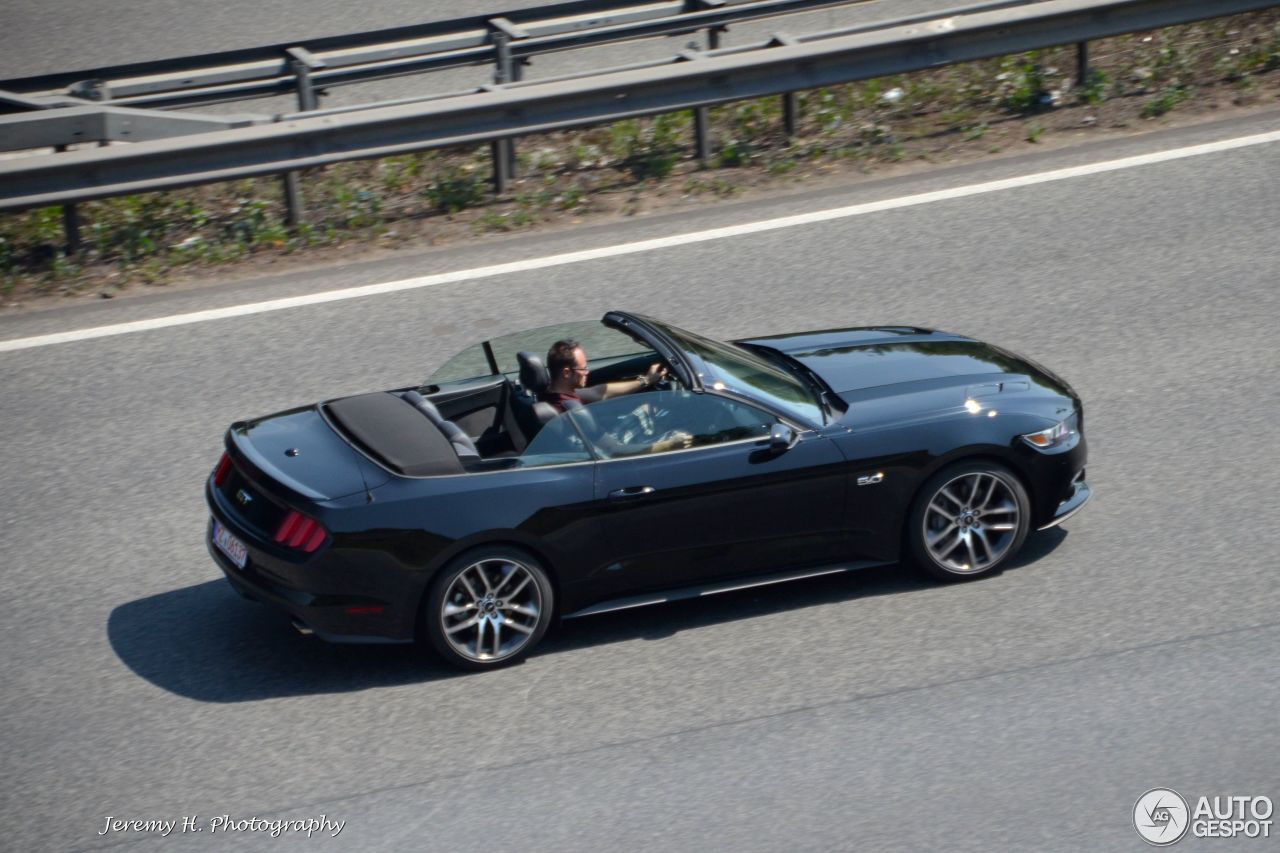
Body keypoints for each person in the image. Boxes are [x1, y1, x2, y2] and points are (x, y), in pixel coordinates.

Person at [540, 339, 692, 455]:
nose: (588, 372)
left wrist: (646, 380)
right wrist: (670, 445)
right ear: (566, 373)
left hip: (599, 443)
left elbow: (598, 392)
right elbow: (616, 452)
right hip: (603, 455)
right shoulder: (575, 413)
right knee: (683, 436)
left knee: (646, 409)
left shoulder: (551, 392)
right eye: (583, 368)